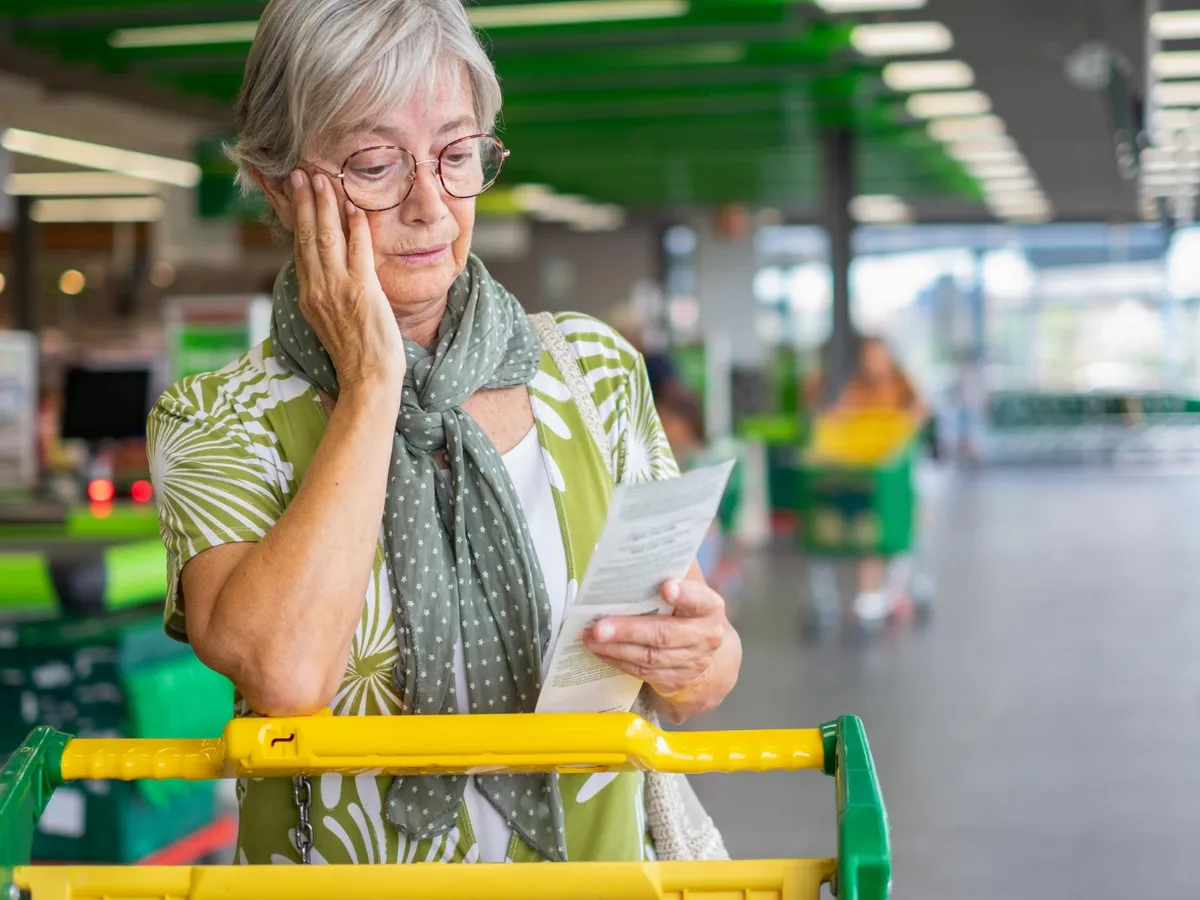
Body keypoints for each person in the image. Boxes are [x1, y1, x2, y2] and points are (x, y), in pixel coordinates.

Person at [146, 0, 741, 867]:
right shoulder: (215, 420)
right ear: (278, 184)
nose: (430, 204)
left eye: (457, 155)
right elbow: (285, 676)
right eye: (374, 163)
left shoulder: (592, 372)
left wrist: (701, 655)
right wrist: (372, 381)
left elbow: (695, 675)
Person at [808, 335, 930, 625]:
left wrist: (908, 422)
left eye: (878, 355)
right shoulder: (855, 389)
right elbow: (836, 419)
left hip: (893, 477)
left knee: (900, 530)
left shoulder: (904, 387)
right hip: (864, 477)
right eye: (868, 356)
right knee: (870, 535)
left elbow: (919, 415)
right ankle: (871, 596)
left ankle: (889, 592)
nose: (873, 362)